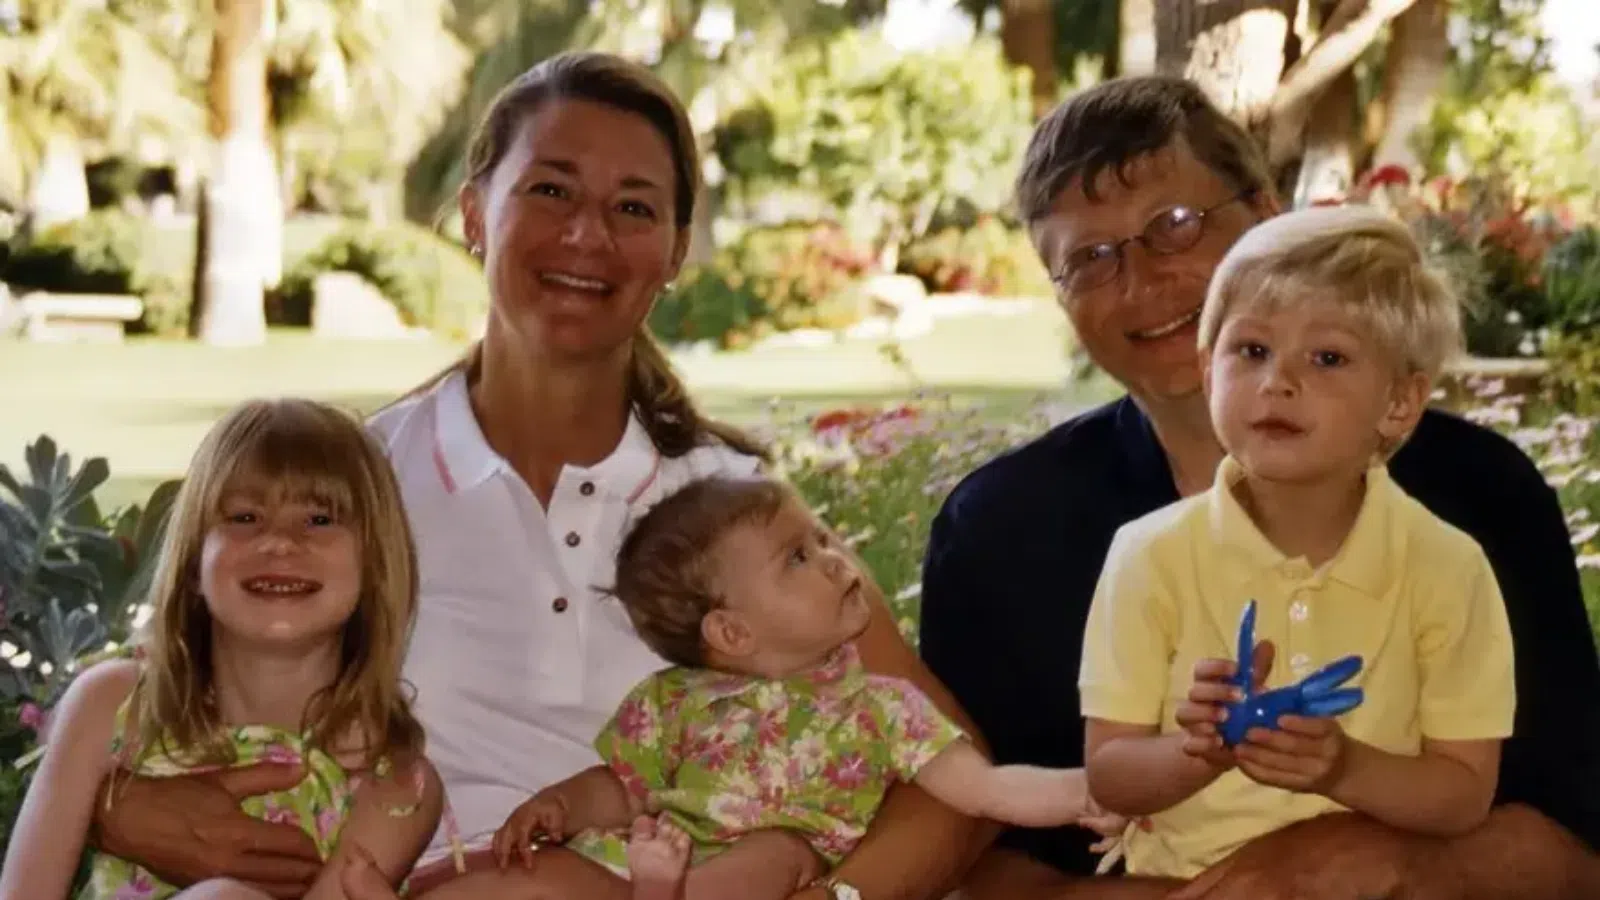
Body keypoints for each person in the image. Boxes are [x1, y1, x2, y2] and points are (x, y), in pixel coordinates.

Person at [86, 52, 986, 900]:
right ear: (475, 214)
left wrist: (833, 896)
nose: (587, 233)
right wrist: (116, 802)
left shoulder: (735, 502)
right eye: (550, 190)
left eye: (634, 208)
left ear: (675, 252)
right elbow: (168, 690)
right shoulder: (358, 487)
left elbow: (954, 776)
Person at [920, 75, 1600, 900]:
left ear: (1271, 218)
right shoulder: (998, 531)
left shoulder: (1476, 498)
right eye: (1089, 260)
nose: (1139, 282)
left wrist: (1380, 862)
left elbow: (1575, 842)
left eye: (1174, 226)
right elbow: (973, 859)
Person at [339, 475, 1125, 900]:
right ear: (731, 634)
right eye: (796, 557)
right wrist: (560, 808)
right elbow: (621, 785)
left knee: (771, 857)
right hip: (641, 859)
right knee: (529, 880)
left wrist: (1085, 790)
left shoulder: (882, 707)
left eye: (820, 540)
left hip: (769, 874)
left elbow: (983, 788)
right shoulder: (675, 700)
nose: (833, 558)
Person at [1081, 204, 1515, 879]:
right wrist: (1200, 748)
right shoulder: (1148, 555)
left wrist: (1345, 767)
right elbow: (1110, 774)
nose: (1278, 381)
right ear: (1208, 369)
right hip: (1183, 885)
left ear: (1400, 402)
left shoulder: (1448, 566)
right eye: (1251, 351)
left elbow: (1463, 793)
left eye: (1328, 357)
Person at [0, 398, 445, 900]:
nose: (279, 541)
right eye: (244, 516)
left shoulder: (396, 787)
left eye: (320, 519)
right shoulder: (112, 706)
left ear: (376, 566)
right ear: (193, 561)